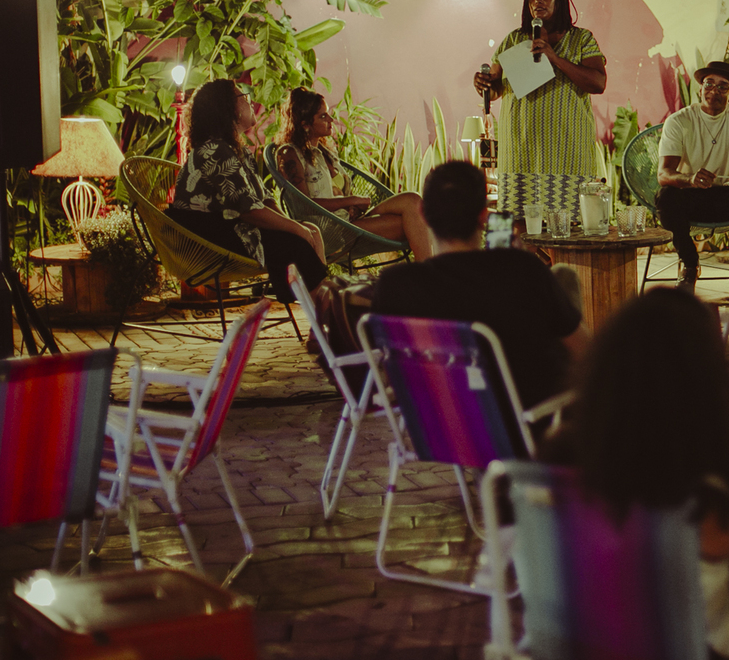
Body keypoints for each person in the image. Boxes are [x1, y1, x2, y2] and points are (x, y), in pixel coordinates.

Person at [545, 288, 729, 660]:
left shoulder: (560, 459)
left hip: (589, 640)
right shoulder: (711, 473)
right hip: (692, 651)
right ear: (705, 375)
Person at [373, 160, 588, 412]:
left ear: (422, 214)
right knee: (563, 283)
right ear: (483, 216)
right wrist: (515, 262)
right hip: (529, 428)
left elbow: (388, 374)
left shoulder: (394, 284)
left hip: (444, 433)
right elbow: (585, 353)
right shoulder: (522, 270)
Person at [168, 79, 329, 302]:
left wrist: (297, 227)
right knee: (297, 242)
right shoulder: (214, 150)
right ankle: (325, 311)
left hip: (235, 230)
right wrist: (296, 230)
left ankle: (321, 313)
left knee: (310, 230)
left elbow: (263, 199)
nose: (250, 101)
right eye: (243, 97)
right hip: (210, 240)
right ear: (225, 108)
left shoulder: (237, 151)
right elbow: (249, 210)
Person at [473, 0, 607, 221]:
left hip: (566, 152)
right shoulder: (513, 40)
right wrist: (482, 84)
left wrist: (554, 58)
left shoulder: (580, 39)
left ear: (560, 1)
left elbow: (598, 82)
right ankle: (524, 262)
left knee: (566, 226)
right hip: (521, 151)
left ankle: (559, 262)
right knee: (519, 225)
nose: (538, 0)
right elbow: (494, 90)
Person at [655, 61, 729, 293]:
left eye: (723, 86)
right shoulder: (679, 121)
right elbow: (664, 174)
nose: (714, 90)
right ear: (700, 88)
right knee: (666, 197)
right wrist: (690, 179)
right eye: (709, 83)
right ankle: (690, 266)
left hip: (725, 196)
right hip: (691, 197)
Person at [274, 87, 432, 261]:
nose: (331, 120)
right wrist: (352, 201)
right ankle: (428, 275)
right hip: (331, 231)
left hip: (349, 221)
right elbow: (303, 205)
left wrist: (353, 206)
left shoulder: (324, 153)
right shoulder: (290, 154)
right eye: (323, 116)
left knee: (412, 200)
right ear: (305, 124)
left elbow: (339, 194)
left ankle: (426, 274)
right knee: (415, 224)